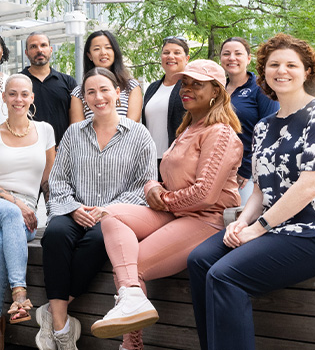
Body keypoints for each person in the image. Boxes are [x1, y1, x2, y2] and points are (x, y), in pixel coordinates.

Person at [187, 34, 315, 350]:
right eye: (274, 64)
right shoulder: (264, 127)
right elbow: (260, 191)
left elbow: (309, 186)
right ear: (263, 72)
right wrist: (242, 223)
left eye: (292, 65)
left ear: (307, 72)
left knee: (224, 275)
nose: (282, 70)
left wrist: (257, 229)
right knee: (200, 259)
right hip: (276, 226)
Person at [90, 60, 242, 349]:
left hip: (205, 220)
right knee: (110, 214)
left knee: (135, 266)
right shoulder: (188, 129)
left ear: (216, 92)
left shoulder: (220, 133)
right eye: (185, 83)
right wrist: (152, 187)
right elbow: (168, 179)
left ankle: (131, 344)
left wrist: (165, 201)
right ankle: (132, 300)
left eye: (197, 84)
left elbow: (205, 195)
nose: (187, 89)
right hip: (176, 214)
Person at [36, 67, 158, 350]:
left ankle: (54, 314)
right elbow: (58, 180)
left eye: (104, 90)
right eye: (90, 92)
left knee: (97, 240)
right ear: (84, 98)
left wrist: (107, 210)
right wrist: (75, 208)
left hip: (114, 217)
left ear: (118, 93)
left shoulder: (139, 135)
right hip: (74, 210)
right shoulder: (73, 134)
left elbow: (143, 184)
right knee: (54, 235)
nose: (98, 97)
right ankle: (62, 328)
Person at [0, 74, 56, 350]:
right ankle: (20, 294)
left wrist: (55, 214)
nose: (18, 99)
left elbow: (49, 179)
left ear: (32, 98)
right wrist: (16, 204)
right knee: (9, 215)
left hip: (26, 216)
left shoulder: (45, 130)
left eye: (24, 94)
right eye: (12, 94)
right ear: (4, 98)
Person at [220, 37, 279, 205]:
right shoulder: (217, 90)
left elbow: (270, 132)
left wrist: (246, 169)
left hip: (248, 173)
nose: (232, 58)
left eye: (238, 53)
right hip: (219, 170)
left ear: (248, 58)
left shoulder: (261, 88)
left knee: (241, 221)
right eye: (226, 54)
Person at [69, 30, 142, 124]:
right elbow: (77, 130)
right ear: (89, 55)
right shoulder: (78, 92)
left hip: (126, 138)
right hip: (90, 138)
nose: (103, 52)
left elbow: (133, 123)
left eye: (108, 48)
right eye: (96, 49)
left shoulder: (131, 86)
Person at [21, 32, 77, 145]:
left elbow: (75, 121)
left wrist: (67, 146)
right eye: (33, 46)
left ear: (50, 49)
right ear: (26, 53)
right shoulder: (17, 81)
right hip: (28, 149)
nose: (39, 50)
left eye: (43, 45)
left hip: (63, 150)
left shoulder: (68, 82)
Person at [142, 37, 189, 159]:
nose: (171, 56)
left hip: (178, 159)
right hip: (151, 158)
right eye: (166, 53)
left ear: (186, 59)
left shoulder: (191, 88)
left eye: (177, 53)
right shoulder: (152, 88)